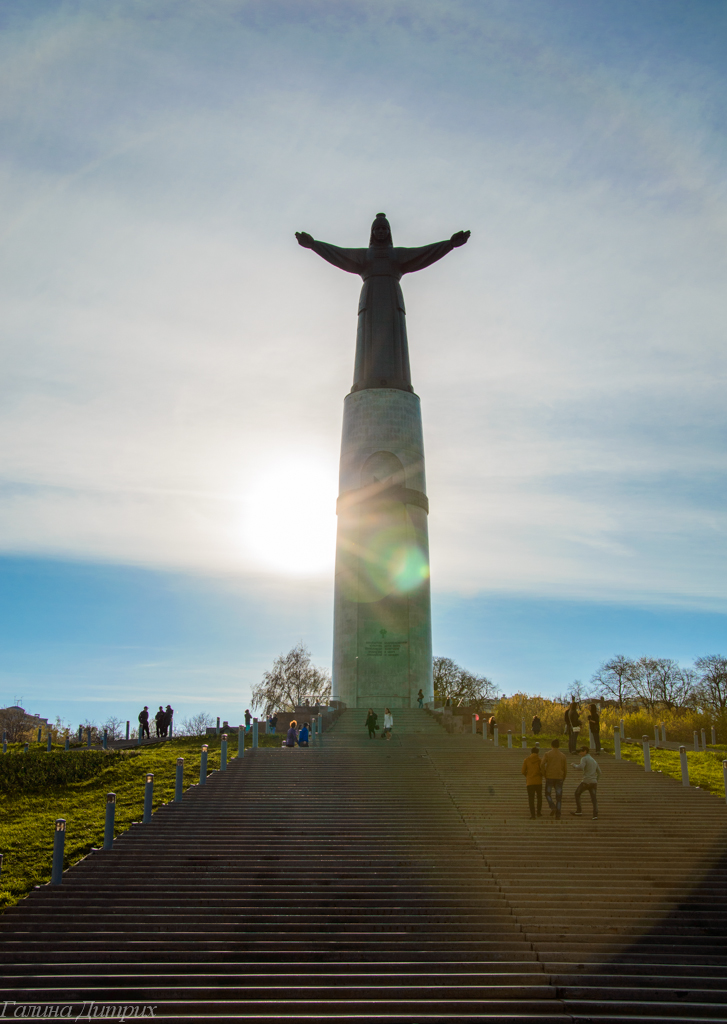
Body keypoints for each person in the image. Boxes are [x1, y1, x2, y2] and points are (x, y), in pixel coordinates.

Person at [571, 744, 601, 819]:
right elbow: (599, 772)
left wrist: (574, 765)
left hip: (586, 781)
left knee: (577, 793)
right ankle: (595, 815)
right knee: (594, 799)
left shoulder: (584, 758)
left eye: (581, 751)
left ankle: (579, 810)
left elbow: (581, 767)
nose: (580, 753)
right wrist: (596, 780)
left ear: (585, 751)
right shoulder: (594, 760)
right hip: (593, 782)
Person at [541, 738, 567, 820]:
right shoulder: (563, 755)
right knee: (558, 797)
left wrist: (544, 774)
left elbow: (542, 764)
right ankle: (558, 814)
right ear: (559, 746)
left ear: (551, 745)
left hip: (550, 776)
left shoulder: (547, 754)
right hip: (559, 777)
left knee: (547, 794)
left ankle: (552, 806)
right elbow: (565, 768)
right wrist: (563, 777)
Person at [521, 746, 544, 819]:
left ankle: (533, 815)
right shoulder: (540, 760)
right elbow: (543, 770)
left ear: (531, 752)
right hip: (538, 781)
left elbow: (523, 771)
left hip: (530, 782)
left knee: (531, 798)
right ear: (537, 752)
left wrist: (528, 776)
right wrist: (540, 775)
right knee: (539, 797)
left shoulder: (526, 760)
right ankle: (539, 812)